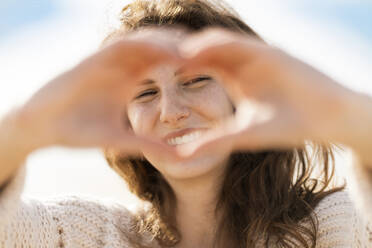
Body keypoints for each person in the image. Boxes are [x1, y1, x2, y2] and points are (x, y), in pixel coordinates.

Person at [0, 0, 371, 247]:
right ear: (125, 122)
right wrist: (23, 130)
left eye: (195, 81)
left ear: (242, 97)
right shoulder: (92, 235)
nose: (171, 111)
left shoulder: (332, 228)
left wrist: (348, 115)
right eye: (145, 94)